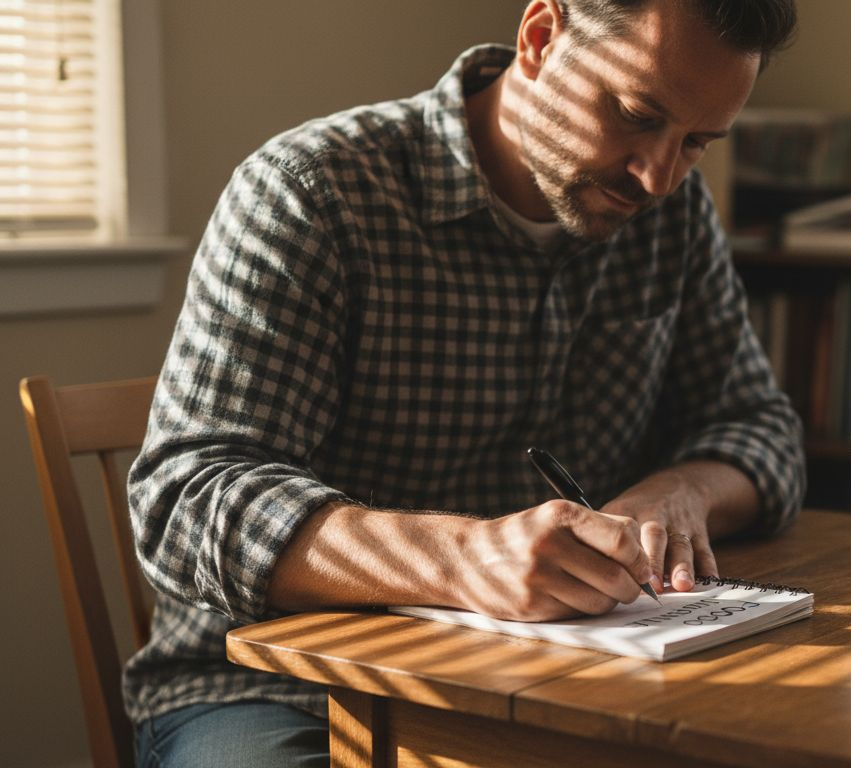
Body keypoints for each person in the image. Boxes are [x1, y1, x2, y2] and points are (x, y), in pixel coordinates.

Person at [126, 0, 802, 765]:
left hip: (564, 682)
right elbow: (184, 501)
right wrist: (462, 559)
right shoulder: (314, 191)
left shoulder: (669, 214)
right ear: (542, 37)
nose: (656, 176)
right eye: (637, 115)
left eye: (697, 143)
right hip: (272, 690)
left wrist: (684, 490)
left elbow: (760, 425)